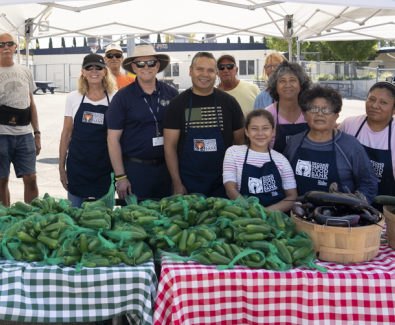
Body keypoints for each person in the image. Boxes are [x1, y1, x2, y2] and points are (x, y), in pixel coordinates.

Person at [164, 52, 245, 198]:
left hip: (224, 184)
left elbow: (240, 144)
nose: (205, 74)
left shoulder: (229, 103)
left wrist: (236, 182)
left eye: (210, 70)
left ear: (216, 74)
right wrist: (177, 184)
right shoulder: (178, 104)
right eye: (200, 69)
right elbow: (170, 146)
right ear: (190, 71)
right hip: (188, 184)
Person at [283, 86, 378, 203]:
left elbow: (368, 183)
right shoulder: (295, 142)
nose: (320, 114)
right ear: (304, 114)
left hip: (340, 213)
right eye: (313, 109)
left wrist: (354, 207)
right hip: (300, 211)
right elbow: (283, 179)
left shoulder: (350, 145)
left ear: (336, 116)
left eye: (326, 110)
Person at [107, 44, 179, 199]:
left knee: (167, 212)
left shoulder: (172, 94)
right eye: (140, 63)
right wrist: (120, 177)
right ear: (134, 67)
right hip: (135, 171)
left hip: (167, 169)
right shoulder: (122, 97)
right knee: (136, 213)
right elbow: (112, 139)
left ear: (158, 65)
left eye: (151, 63)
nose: (146, 67)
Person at [339, 82, 395, 207]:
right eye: (371, 99)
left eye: (383, 102)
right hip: (348, 204)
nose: (375, 105)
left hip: (386, 208)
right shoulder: (350, 124)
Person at [0, 31, 40, 206]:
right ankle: (5, 216)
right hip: (0, 135)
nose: (6, 47)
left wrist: (37, 133)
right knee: (2, 179)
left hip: (25, 134)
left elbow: (32, 105)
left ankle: (32, 215)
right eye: (1, 44)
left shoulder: (25, 71)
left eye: (9, 44)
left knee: (31, 178)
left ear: (15, 47)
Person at [59, 54, 118, 207]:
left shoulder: (115, 97)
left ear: (105, 71)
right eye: (89, 67)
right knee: (75, 214)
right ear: (83, 72)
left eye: (98, 67)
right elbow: (66, 133)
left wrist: (121, 172)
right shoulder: (73, 97)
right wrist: (61, 168)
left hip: (105, 166)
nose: (94, 71)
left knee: (103, 216)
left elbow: (120, 136)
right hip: (78, 167)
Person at [223, 109, 297, 211]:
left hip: (274, 216)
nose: (260, 133)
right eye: (254, 128)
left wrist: (265, 213)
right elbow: (230, 189)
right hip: (244, 214)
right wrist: (251, 212)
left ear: (273, 131)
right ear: (246, 132)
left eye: (265, 128)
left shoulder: (281, 160)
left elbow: (292, 196)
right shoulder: (234, 152)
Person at [264, 61, 312, 153]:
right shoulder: (267, 116)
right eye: (282, 81)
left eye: (292, 80)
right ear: (275, 87)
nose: (288, 85)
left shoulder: (310, 113)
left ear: (301, 85)